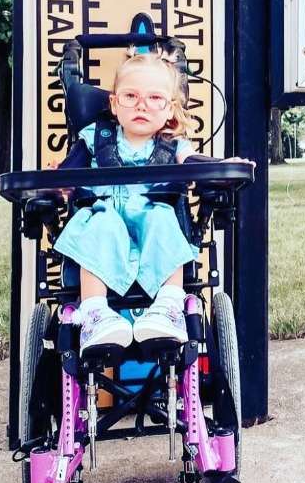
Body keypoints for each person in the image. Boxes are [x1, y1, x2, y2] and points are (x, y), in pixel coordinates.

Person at [53, 51, 242, 355]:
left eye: (155, 98)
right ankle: (95, 315)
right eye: (131, 96)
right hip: (105, 217)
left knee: (162, 218)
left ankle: (168, 307)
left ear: (170, 109)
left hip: (151, 224)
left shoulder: (172, 144)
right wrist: (57, 182)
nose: (142, 105)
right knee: (99, 222)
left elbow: (193, 162)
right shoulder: (94, 137)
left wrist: (222, 166)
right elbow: (67, 174)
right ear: (113, 104)